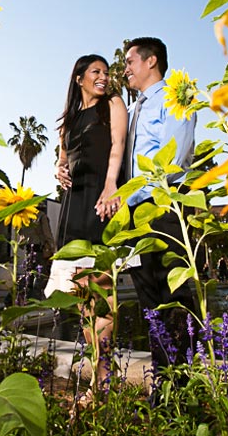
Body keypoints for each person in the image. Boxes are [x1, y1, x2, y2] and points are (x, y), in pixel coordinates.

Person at [47, 54, 127, 398]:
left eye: (106, 72)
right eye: (96, 71)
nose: (103, 77)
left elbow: (118, 148)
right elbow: (63, 159)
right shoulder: (69, 122)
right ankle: (98, 373)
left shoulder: (113, 104)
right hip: (73, 206)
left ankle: (103, 382)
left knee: (102, 292)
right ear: (79, 77)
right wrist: (58, 170)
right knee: (81, 298)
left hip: (100, 199)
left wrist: (112, 187)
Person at [119, 37, 197, 372]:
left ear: (151, 61)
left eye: (130, 62)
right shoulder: (135, 107)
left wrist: (148, 194)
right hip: (136, 213)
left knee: (173, 292)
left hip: (164, 206)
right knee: (148, 296)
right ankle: (163, 378)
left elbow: (174, 157)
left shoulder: (176, 97)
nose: (125, 70)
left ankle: (183, 379)